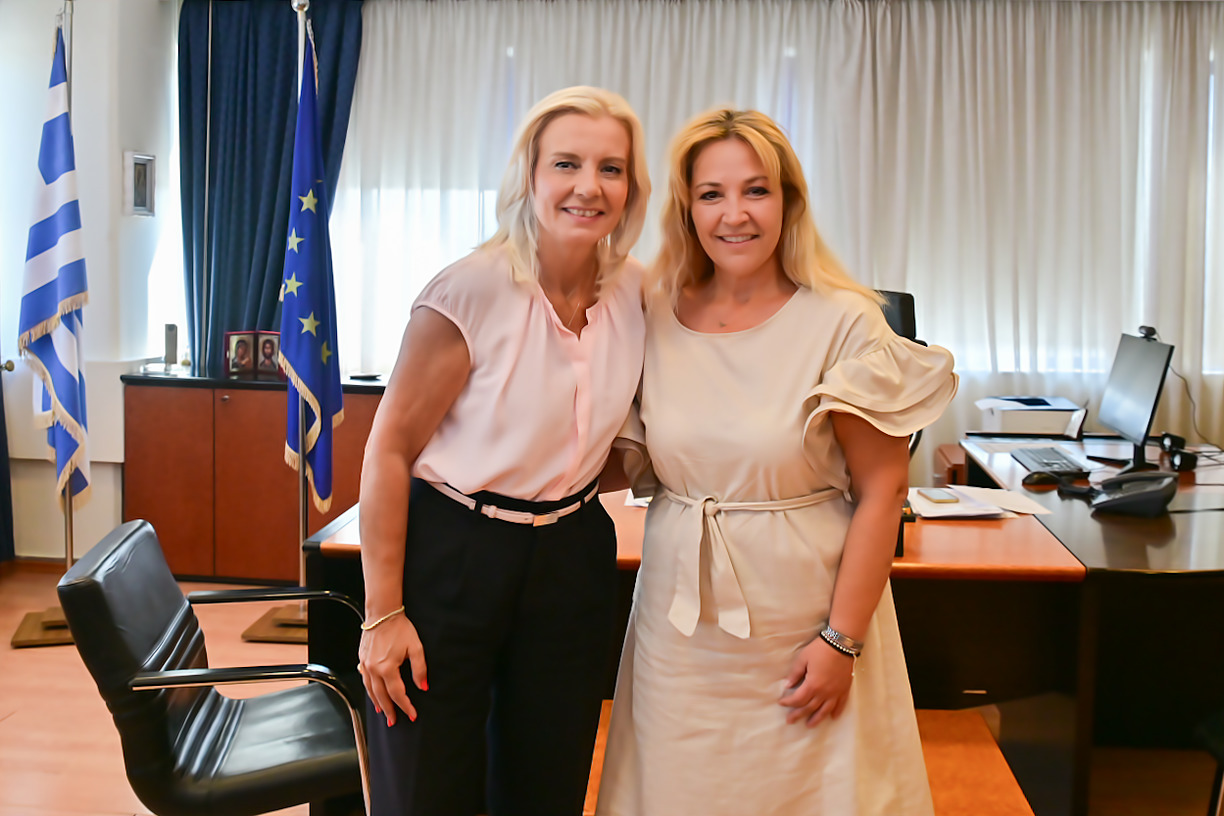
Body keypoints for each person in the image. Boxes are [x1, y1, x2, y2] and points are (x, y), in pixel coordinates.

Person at [596, 109, 958, 816]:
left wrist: (840, 642)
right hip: (679, 631)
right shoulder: (653, 311)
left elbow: (884, 492)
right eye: (711, 194)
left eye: (756, 190)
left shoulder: (844, 320)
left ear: (789, 201)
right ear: (687, 208)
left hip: (806, 622)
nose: (734, 214)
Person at [357, 86, 651, 816]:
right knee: (428, 788)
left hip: (572, 556)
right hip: (455, 549)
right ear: (530, 174)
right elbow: (389, 449)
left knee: (546, 784)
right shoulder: (470, 291)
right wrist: (382, 614)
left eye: (611, 168)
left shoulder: (638, 294)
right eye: (567, 164)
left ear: (631, 187)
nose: (589, 186)